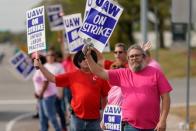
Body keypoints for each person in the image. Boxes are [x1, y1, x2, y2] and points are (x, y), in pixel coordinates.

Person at [84, 44, 172, 131]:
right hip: (130, 125)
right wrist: (88, 56)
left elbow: (166, 97)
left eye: (137, 55)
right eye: (131, 56)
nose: (134, 58)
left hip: (152, 126)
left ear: (143, 57)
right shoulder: (122, 73)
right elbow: (98, 71)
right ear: (128, 59)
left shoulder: (156, 73)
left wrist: (163, 120)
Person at [34, 50, 110, 131]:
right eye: (82, 59)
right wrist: (40, 66)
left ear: (93, 60)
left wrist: (104, 115)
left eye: (88, 58)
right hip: (77, 119)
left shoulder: (101, 76)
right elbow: (52, 78)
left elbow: (104, 97)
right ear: (78, 62)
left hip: (95, 120)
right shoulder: (72, 75)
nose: (85, 60)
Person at [32, 51, 62, 131]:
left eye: (34, 59)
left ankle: (58, 129)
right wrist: (37, 93)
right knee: (42, 117)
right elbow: (38, 83)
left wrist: (40, 93)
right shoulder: (38, 69)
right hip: (41, 95)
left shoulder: (43, 68)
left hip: (48, 95)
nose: (33, 61)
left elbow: (46, 82)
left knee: (50, 116)